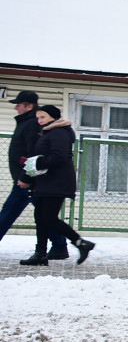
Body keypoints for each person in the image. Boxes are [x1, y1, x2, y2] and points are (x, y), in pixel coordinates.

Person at [16, 105, 95, 266]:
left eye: (42, 117)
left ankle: (81, 243)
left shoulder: (59, 133)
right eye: (38, 118)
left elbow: (59, 156)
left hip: (57, 182)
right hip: (46, 182)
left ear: (53, 117)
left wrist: (37, 163)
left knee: (49, 218)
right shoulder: (47, 132)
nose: (39, 120)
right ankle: (40, 254)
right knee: (40, 218)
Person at [0, 90, 69, 258]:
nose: (16, 107)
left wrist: (26, 176)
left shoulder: (31, 123)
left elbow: (34, 152)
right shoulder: (26, 122)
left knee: (41, 216)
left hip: (28, 179)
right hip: (24, 179)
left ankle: (63, 245)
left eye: (19, 104)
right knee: (14, 212)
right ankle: (60, 246)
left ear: (29, 106)